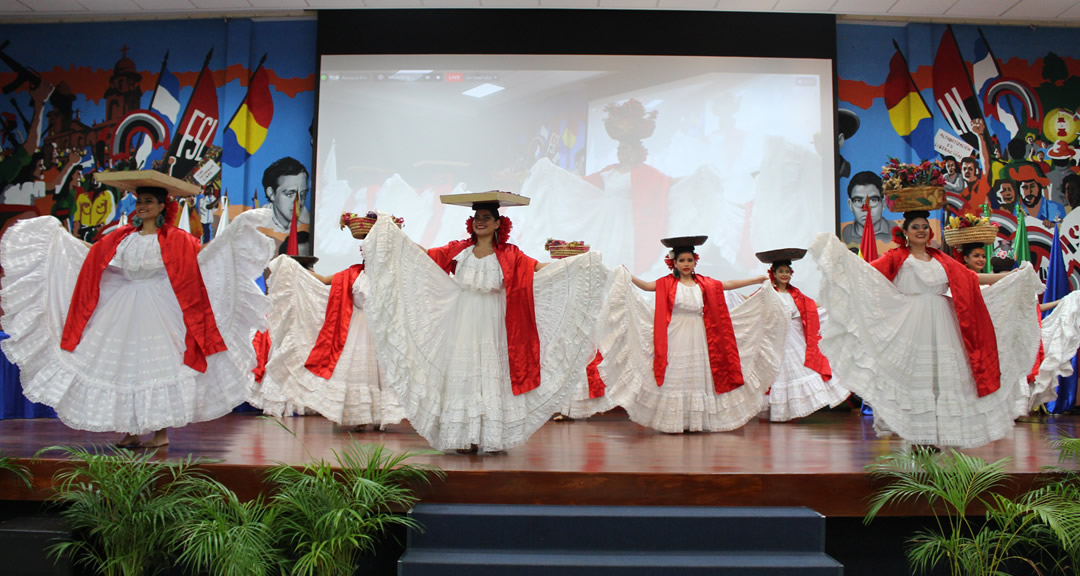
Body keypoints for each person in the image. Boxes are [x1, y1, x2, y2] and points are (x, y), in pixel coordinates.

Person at [0, 172, 276, 447]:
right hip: (123, 308)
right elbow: (96, 256)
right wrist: (62, 239)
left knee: (157, 366)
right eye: (139, 201)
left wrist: (230, 237)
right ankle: (131, 431)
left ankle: (160, 433)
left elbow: (200, 256)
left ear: (160, 207)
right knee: (126, 369)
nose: (141, 206)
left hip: (160, 308)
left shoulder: (175, 239)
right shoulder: (123, 238)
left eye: (148, 201)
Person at [362, 196, 608, 453]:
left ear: (498, 223)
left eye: (486, 218)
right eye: (477, 218)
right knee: (465, 373)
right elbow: (425, 256)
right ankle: (463, 437)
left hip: (495, 321)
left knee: (492, 375)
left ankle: (491, 437)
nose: (480, 222)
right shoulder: (461, 249)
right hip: (463, 319)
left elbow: (537, 269)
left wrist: (577, 265)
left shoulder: (510, 253)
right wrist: (396, 237)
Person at [810, 210, 1043, 448]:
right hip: (911, 318)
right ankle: (918, 437)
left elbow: (970, 278)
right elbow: (866, 276)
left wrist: (1006, 277)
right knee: (916, 378)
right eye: (915, 227)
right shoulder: (896, 257)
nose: (921, 230)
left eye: (924, 226)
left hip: (943, 318)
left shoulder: (941, 258)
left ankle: (937, 435)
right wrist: (840, 257)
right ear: (905, 233)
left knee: (943, 378)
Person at [599, 237, 787, 433]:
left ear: (695, 261)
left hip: (700, 333)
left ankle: (696, 420)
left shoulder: (704, 283)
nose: (686, 264)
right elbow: (647, 286)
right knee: (676, 373)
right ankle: (675, 420)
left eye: (689, 260)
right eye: (682, 261)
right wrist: (626, 275)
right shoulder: (667, 283)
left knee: (698, 375)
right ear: (674, 263)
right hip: (675, 333)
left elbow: (728, 284)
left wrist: (756, 280)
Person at [255, 247, 405, 431]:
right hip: (356, 329)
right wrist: (296, 267)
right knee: (357, 373)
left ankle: (380, 416)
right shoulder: (353, 274)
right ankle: (360, 418)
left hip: (380, 330)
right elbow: (325, 280)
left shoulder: (390, 277)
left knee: (380, 374)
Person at [757, 252, 848, 422]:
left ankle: (794, 411)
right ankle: (776, 410)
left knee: (800, 370)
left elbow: (810, 307)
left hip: (793, 337)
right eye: (781, 271)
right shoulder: (767, 292)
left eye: (787, 271)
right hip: (774, 338)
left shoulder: (795, 294)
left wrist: (832, 304)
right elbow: (755, 306)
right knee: (776, 374)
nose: (784, 274)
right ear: (774, 274)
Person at [840, 171, 892, 246]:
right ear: (850, 205)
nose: (865, 208)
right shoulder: (840, 236)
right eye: (858, 200)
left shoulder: (898, 232)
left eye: (873, 200)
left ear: (883, 203)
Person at [262, 157, 310, 234]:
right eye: (289, 194)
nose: (299, 202)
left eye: (303, 194)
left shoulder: (310, 224)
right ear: (271, 193)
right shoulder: (255, 225)